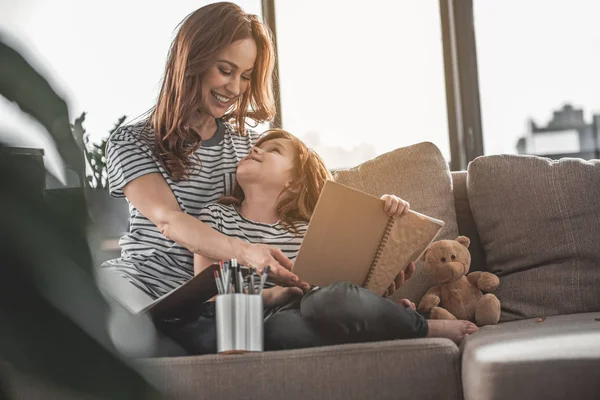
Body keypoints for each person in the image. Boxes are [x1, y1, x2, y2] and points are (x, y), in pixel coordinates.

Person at [176, 129, 478, 355]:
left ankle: (405, 323)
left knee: (326, 301)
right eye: (256, 146)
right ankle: (394, 325)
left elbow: (344, 290)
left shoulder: (313, 229)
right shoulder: (215, 217)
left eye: (274, 150)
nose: (255, 149)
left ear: (293, 179)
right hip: (258, 320)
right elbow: (210, 299)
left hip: (313, 307)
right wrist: (276, 295)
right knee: (281, 329)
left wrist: (388, 212)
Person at [101, 2, 303, 303]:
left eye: (245, 76)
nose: (235, 88)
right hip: (139, 288)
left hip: (217, 299)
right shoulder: (131, 142)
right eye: (225, 70)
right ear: (192, 61)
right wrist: (246, 252)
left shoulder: (250, 151)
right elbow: (169, 220)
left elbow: (306, 209)